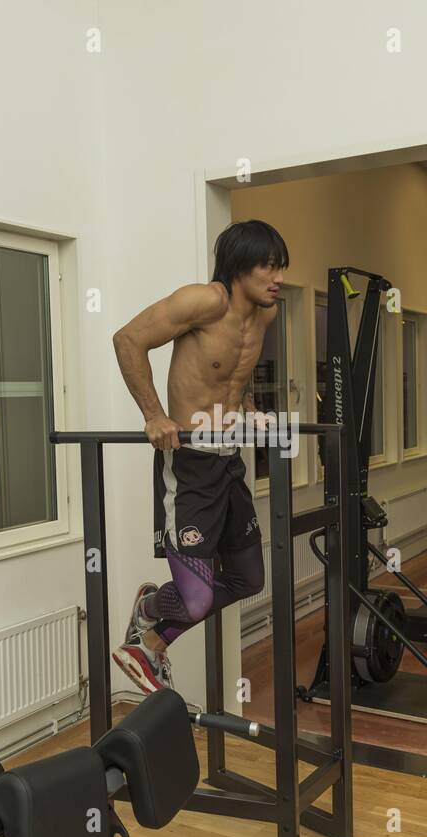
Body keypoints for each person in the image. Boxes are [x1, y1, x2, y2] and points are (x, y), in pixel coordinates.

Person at [108, 220, 286, 694]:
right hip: (188, 464)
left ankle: (150, 614)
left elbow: (235, 372)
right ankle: (150, 634)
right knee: (198, 597)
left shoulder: (265, 314)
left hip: (229, 460)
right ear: (239, 267)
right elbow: (127, 339)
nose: (278, 277)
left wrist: (248, 408)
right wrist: (154, 414)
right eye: (269, 266)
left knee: (249, 579)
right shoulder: (204, 301)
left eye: (280, 267)